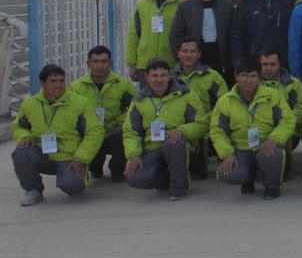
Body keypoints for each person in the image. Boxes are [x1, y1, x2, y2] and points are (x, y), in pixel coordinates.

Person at [12, 64, 103, 206]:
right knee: (21, 153)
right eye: (53, 81)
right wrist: (24, 136)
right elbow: (19, 126)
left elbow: (95, 132)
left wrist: (81, 158)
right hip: (42, 154)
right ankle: (33, 190)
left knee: (73, 187)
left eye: (61, 80)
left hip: (70, 158)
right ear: (43, 84)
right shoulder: (30, 104)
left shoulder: (80, 103)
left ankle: (76, 177)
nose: (59, 85)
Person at [210, 57, 295, 199]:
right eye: (244, 75)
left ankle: (272, 187)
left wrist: (274, 138)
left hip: (265, 145)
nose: (248, 80)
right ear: (236, 76)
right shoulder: (225, 102)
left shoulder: (273, 96)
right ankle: (248, 178)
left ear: (258, 76)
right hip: (241, 148)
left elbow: (287, 121)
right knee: (226, 175)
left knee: (273, 154)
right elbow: (217, 131)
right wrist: (227, 153)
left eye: (253, 76)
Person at [123, 59, 206, 200]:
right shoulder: (139, 100)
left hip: (180, 146)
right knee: (135, 178)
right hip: (152, 148)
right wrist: (134, 155)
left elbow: (201, 124)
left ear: (170, 76)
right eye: (154, 75)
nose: (159, 80)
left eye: (163, 75)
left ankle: (179, 187)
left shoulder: (187, 95)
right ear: (146, 77)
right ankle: (169, 177)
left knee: (174, 143)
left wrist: (182, 130)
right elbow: (131, 132)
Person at [68, 45, 136, 182]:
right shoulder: (76, 87)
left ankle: (117, 170)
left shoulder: (123, 84)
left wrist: (123, 121)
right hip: (90, 133)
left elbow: (137, 108)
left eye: (104, 61)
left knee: (123, 132)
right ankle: (94, 167)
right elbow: (68, 115)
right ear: (88, 64)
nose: (100, 66)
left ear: (110, 63)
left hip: (114, 132)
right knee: (80, 133)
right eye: (96, 61)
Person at [171, 37, 229, 180]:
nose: (188, 55)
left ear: (199, 54)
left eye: (192, 51)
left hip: (208, 125)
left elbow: (225, 104)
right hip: (179, 126)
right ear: (178, 54)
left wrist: (207, 119)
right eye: (185, 51)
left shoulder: (213, 76)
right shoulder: (169, 78)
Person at [170, 0, 233, 74]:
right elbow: (175, 35)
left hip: (221, 61)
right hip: (194, 62)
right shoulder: (185, 6)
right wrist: (182, 60)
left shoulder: (226, 6)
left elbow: (233, 35)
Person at [230, 0, 294, 68]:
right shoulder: (246, 2)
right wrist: (238, 62)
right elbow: (237, 36)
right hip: (253, 60)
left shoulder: (286, 1)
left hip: (280, 60)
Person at [126, 0, 183, 80]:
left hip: (171, 65)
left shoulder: (181, 5)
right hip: (145, 65)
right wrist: (131, 64)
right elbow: (133, 35)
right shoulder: (142, 4)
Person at [258, 49, 302, 180]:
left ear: (279, 64)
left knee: (285, 131)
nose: (268, 68)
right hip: (259, 129)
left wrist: (286, 122)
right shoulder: (251, 83)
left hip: (288, 131)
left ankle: (284, 166)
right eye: (264, 64)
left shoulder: (293, 83)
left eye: (273, 64)